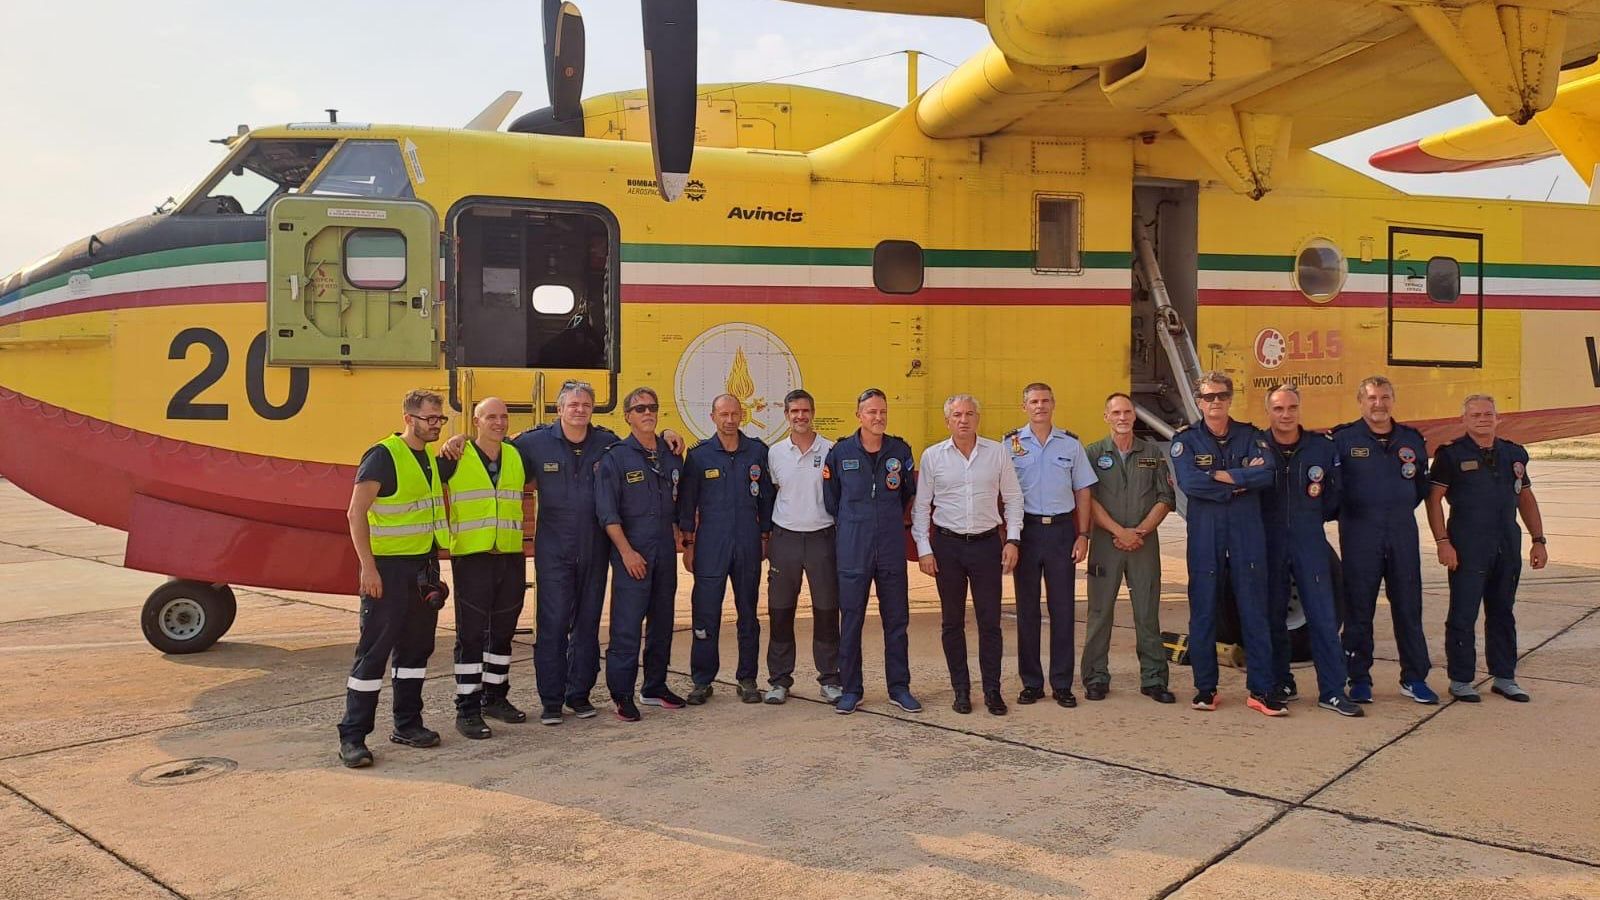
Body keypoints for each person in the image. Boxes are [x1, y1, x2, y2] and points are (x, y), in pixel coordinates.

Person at [439, 384, 683, 726]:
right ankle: (551, 700)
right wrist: (460, 439)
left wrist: (668, 431)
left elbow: (640, 441)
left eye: (586, 404)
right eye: (573, 404)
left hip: (595, 547)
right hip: (553, 548)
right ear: (559, 409)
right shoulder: (533, 443)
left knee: (587, 625)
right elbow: (492, 446)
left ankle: (578, 694)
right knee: (552, 626)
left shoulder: (606, 442)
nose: (580, 410)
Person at [337, 390, 454, 768]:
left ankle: (407, 723)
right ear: (409, 418)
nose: (436, 424)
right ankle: (353, 737)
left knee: (416, 651)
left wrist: (460, 438)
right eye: (430, 418)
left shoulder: (430, 461)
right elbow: (356, 513)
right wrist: (367, 568)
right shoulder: (383, 456)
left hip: (423, 568)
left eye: (441, 419)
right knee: (373, 654)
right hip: (387, 570)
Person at [1169, 372, 1286, 717]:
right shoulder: (1186, 440)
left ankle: (1262, 689)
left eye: (1221, 396)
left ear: (1229, 399)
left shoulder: (1250, 436)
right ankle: (1206, 688)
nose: (1215, 402)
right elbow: (1189, 483)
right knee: (1203, 609)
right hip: (1206, 532)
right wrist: (1238, 482)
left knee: (1254, 607)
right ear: (1199, 402)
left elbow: (1268, 474)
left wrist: (1222, 476)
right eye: (1208, 397)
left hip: (1246, 530)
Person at [1426, 394, 1548, 703]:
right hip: (1467, 545)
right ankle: (1461, 679)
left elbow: (1525, 498)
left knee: (1503, 611)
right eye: (1475, 415)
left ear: (1497, 418)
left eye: (1488, 414)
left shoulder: (1513, 454)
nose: (1482, 419)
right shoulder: (1450, 456)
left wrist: (1538, 539)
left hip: (1506, 543)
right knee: (1463, 613)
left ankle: (1505, 677)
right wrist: (1443, 542)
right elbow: (1434, 499)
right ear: (1464, 420)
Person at [913, 394, 1024, 716]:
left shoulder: (997, 453)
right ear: (947, 421)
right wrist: (924, 549)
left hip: (987, 545)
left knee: (990, 623)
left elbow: (1014, 499)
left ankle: (992, 690)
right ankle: (961, 690)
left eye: (970, 414)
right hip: (948, 547)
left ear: (978, 418)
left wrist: (1013, 540)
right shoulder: (933, 456)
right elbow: (922, 507)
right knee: (952, 623)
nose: (964, 420)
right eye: (957, 415)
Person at [1332, 376, 1437, 705]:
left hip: (1402, 533)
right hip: (1361, 534)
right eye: (1372, 398)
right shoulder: (1343, 439)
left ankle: (1414, 677)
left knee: (1409, 607)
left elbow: (1420, 488)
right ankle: (1358, 677)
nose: (1379, 404)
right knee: (1359, 609)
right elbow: (1334, 490)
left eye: (1385, 397)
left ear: (1393, 400)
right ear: (1360, 402)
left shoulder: (1411, 440)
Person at [1260, 385, 1363, 717]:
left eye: (1291, 408)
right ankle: (1280, 681)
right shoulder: (1256, 445)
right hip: (1270, 539)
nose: (1285, 415)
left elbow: (1334, 496)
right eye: (1278, 409)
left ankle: (1332, 691)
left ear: (1299, 409)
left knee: (1323, 615)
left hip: (1309, 538)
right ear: (1269, 412)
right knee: (1273, 615)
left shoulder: (1320, 447)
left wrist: (1308, 518)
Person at [824, 388, 920, 715]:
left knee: (897, 622)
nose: (877, 417)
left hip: (891, 546)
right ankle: (851, 689)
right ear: (858, 415)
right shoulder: (839, 453)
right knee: (851, 621)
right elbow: (831, 499)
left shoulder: (900, 450)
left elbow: (908, 493)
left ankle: (899, 687)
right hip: (853, 547)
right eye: (871, 412)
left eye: (882, 411)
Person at [595, 387, 687, 722]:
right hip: (632, 553)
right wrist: (627, 552)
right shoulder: (616, 457)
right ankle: (622, 694)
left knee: (663, 623)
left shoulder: (670, 451)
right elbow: (607, 513)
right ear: (628, 416)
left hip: (663, 551)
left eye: (652, 407)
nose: (647, 413)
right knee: (626, 627)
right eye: (640, 408)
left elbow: (681, 499)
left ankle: (655, 687)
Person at [442, 397, 530, 740]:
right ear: (475, 422)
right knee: (471, 635)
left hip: (508, 556)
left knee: (504, 632)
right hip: (472, 557)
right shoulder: (456, 456)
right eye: (490, 417)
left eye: (504, 416)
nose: (499, 422)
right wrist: (454, 439)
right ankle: (466, 707)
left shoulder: (517, 455)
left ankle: (496, 698)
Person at [679, 394, 776, 704]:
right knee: (705, 614)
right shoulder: (699, 456)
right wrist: (688, 544)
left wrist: (764, 539)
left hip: (747, 542)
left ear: (742, 416)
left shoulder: (757, 452)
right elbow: (686, 503)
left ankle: (747, 678)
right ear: (713, 417)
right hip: (711, 545)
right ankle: (702, 680)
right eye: (723, 414)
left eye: (735, 413)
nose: (730, 419)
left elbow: (766, 501)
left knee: (748, 613)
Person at [1005, 383, 1096, 708]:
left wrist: (1082, 534)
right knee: (1027, 610)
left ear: (1053, 404)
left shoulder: (1070, 445)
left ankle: (1061, 684)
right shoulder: (1010, 444)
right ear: (1024, 406)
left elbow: (1083, 491)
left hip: (1060, 532)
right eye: (1033, 401)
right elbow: (1002, 491)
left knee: (1063, 610)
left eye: (1044, 401)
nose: (1039, 406)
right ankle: (1031, 683)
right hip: (1026, 532)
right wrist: (1009, 538)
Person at [1082, 393, 1175, 704]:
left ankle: (1154, 679)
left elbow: (1165, 497)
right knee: (1099, 612)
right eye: (1116, 412)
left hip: (1144, 545)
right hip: (1107, 544)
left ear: (1134, 417)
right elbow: (1088, 500)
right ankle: (1095, 677)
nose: (1122, 417)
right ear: (1106, 416)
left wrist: (1141, 531)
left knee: (1147, 613)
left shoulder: (1151, 453)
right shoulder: (1093, 453)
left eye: (1127, 412)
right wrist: (1118, 531)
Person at [764, 389, 841, 704]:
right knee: (781, 612)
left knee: (826, 612)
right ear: (786, 415)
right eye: (794, 411)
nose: (800, 416)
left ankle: (831, 679)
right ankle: (779, 681)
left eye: (805, 411)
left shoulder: (831, 450)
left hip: (823, 538)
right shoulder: (774, 453)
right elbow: (769, 493)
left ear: (813, 413)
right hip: (785, 540)